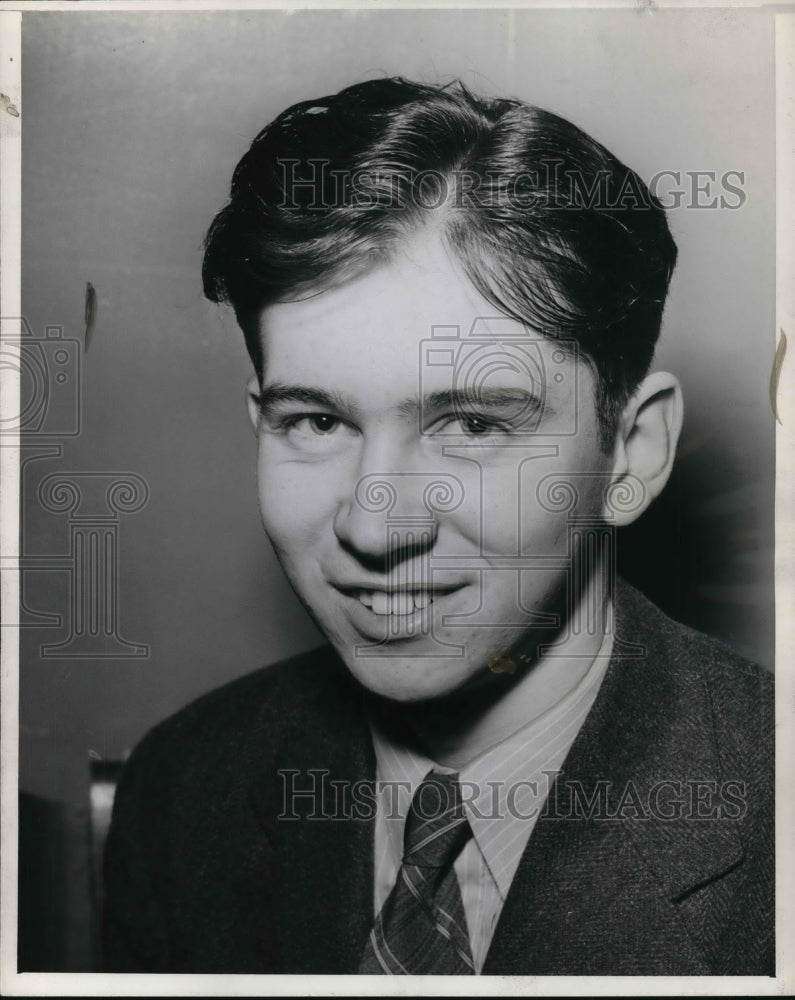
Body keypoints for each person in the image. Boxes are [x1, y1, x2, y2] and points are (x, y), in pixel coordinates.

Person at [102, 78, 773, 976]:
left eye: (473, 426)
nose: (377, 530)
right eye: (318, 422)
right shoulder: (185, 788)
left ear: (630, 452)